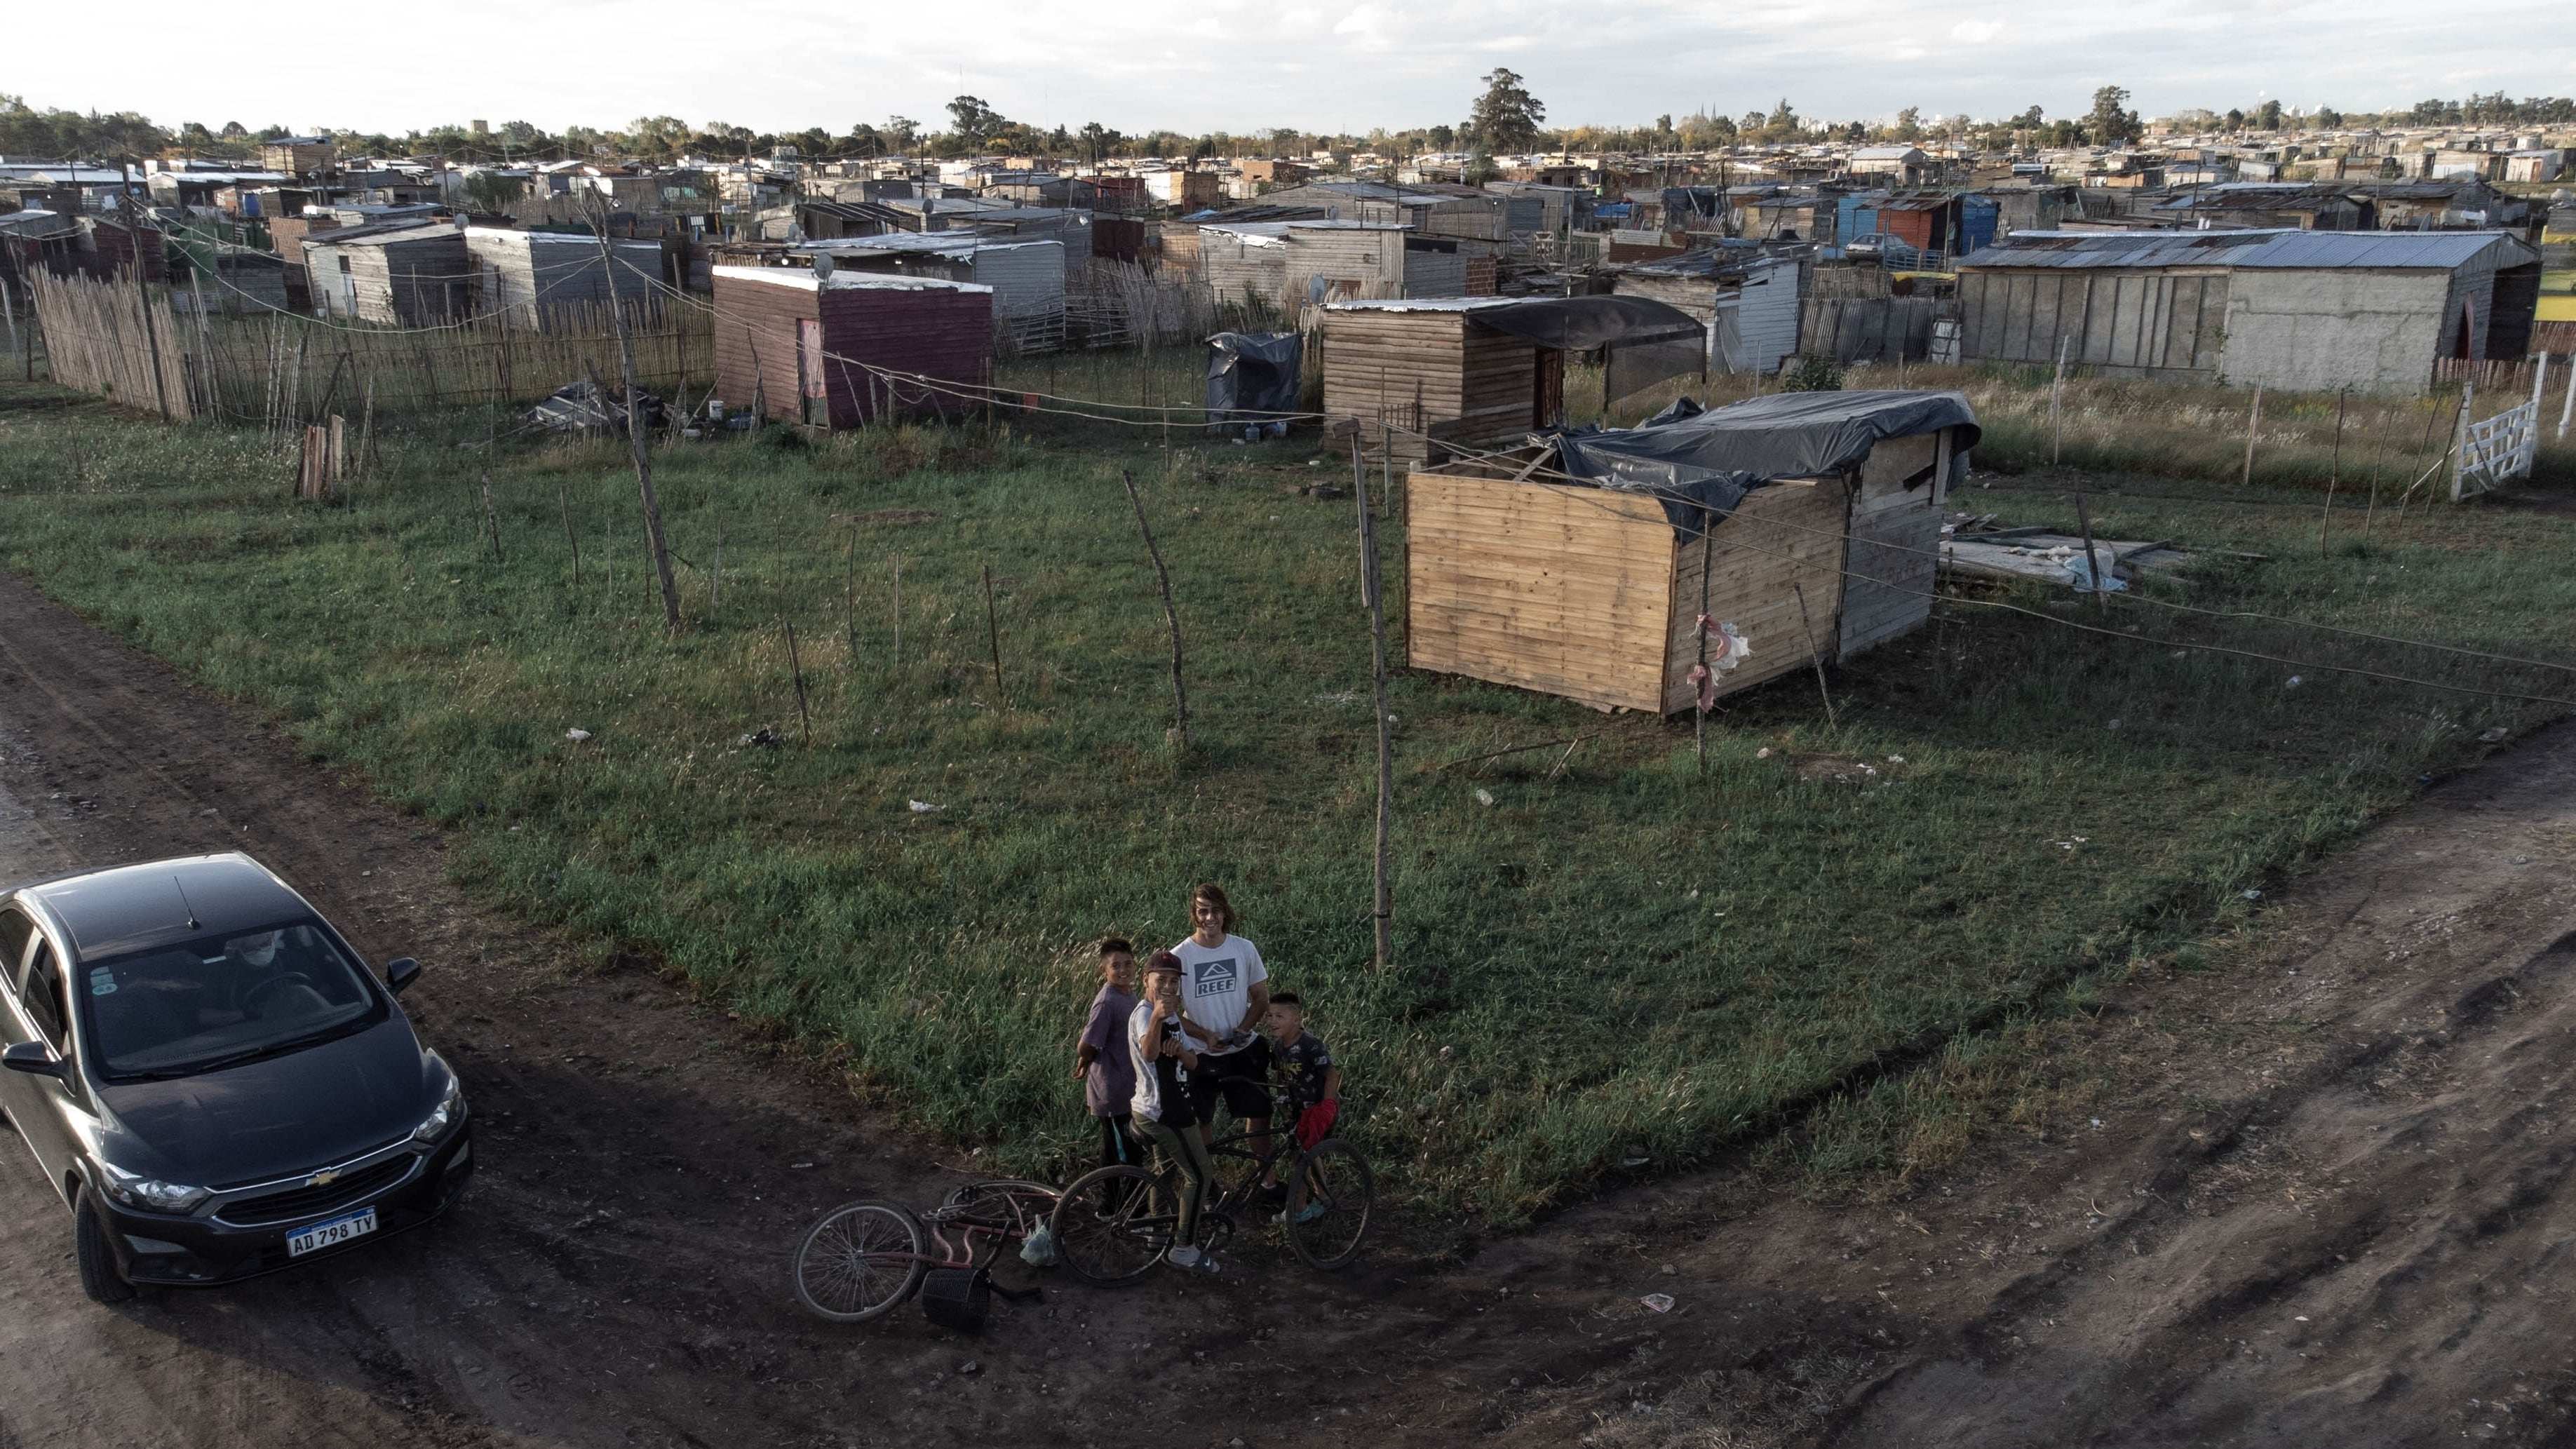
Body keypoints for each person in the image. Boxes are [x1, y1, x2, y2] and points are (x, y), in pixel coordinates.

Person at [1128, 950, 1222, 1276]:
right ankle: (1184, 1249)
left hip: (1173, 1105)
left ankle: (1157, 1232)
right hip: (1163, 1111)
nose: (1167, 986)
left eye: (1173, 981)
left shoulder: (1173, 1018)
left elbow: (1194, 1063)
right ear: (1146, 980)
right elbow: (1149, 1052)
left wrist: (1181, 1050)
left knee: (1165, 1170)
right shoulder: (1145, 1015)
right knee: (1200, 1176)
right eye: (1161, 980)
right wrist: (1157, 1017)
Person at [1169, 883, 1271, 1154]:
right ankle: (1207, 1177)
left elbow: (1261, 998)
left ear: (1225, 912)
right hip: (1200, 1053)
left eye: (1216, 910)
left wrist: (1243, 1029)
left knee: (1260, 1116)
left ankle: (1265, 1175)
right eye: (1203, 911)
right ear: (1193, 915)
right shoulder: (1179, 957)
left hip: (1242, 1049)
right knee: (1201, 1121)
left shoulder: (1244, 948)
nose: (1210, 917)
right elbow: (1169, 1012)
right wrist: (1204, 1035)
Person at [1262, 990, 1342, 1224]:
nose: (1272, 1021)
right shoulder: (1278, 1048)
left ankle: (1298, 1210)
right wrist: (1283, 1104)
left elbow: (1331, 1074)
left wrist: (1327, 1106)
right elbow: (1279, 1077)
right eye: (1269, 1016)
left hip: (1317, 1112)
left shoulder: (1310, 1045)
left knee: (1302, 1158)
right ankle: (1324, 1198)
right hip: (1296, 1112)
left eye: (1280, 1016)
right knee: (1309, 1155)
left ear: (1296, 1019)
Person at [1072, 938, 1140, 1175]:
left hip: (1128, 1088)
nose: (1123, 970)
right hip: (1111, 1090)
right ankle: (1115, 1198)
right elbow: (1086, 1044)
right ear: (1104, 971)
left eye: (1128, 964)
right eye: (1115, 966)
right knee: (1120, 1153)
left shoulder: (1127, 994)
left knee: (1129, 1149)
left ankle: (1130, 1195)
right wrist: (1086, 1058)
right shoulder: (1107, 1001)